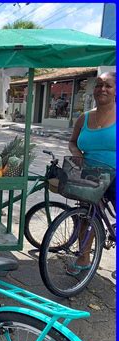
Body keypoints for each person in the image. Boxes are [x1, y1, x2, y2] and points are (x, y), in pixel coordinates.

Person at [67, 71, 116, 275]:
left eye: (108, 85)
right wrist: (77, 153)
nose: (102, 89)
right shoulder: (84, 118)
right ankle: (84, 257)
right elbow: (72, 142)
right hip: (91, 175)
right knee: (85, 217)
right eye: (98, 85)